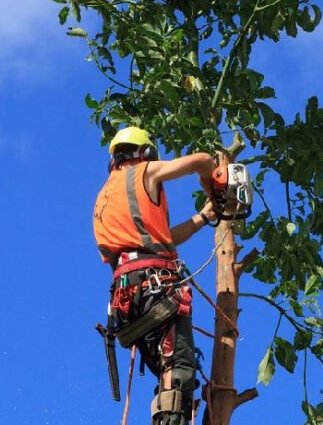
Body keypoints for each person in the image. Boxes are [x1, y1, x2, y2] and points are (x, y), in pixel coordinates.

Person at [93, 126, 217, 425]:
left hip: (127, 302)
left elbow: (159, 241)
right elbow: (202, 160)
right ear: (146, 153)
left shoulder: (104, 199)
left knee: (169, 377)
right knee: (177, 373)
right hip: (155, 289)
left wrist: (203, 217)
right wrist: (215, 186)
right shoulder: (142, 172)